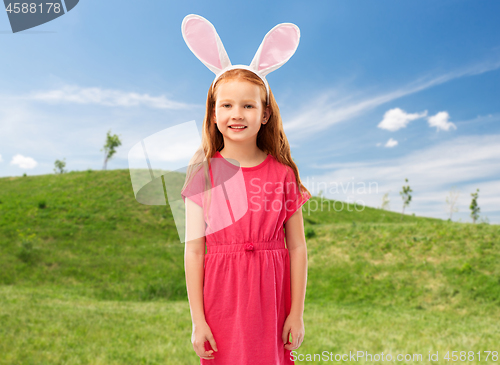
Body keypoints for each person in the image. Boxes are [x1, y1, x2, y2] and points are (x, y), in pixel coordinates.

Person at [180, 14, 311, 364]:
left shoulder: (283, 176)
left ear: (265, 114)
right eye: (226, 105)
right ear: (213, 112)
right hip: (221, 302)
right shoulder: (202, 177)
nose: (236, 114)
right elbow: (194, 252)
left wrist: (296, 313)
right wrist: (198, 321)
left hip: (271, 301)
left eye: (248, 105)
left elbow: (297, 247)